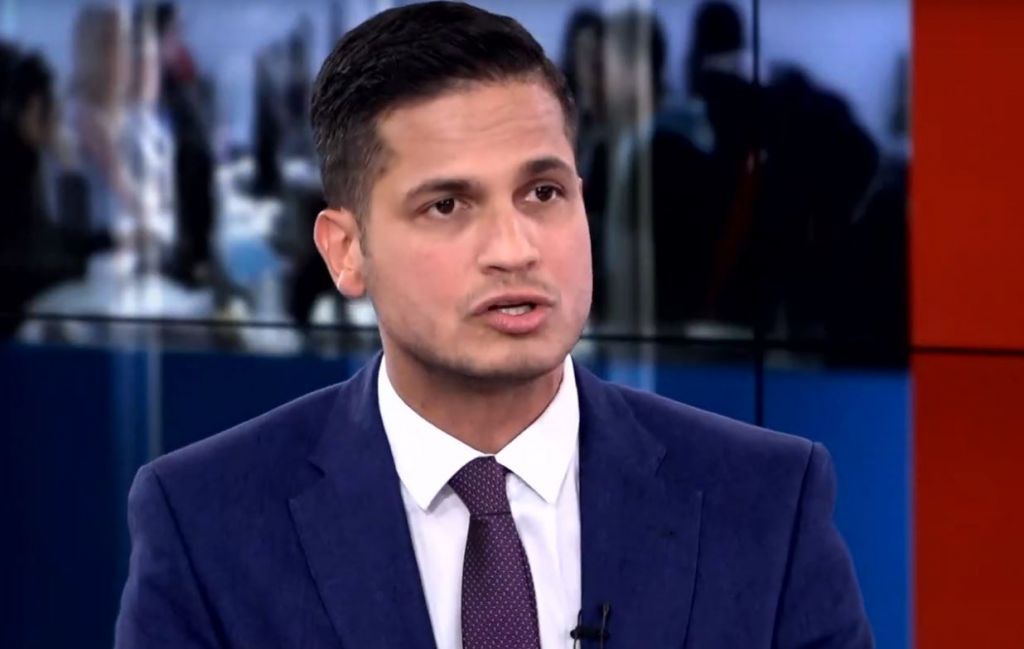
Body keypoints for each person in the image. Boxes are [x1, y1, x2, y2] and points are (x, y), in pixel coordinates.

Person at [114, 3, 873, 648]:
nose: (515, 249)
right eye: (447, 205)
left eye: (542, 193)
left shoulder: (768, 505)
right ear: (346, 252)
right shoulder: (206, 526)